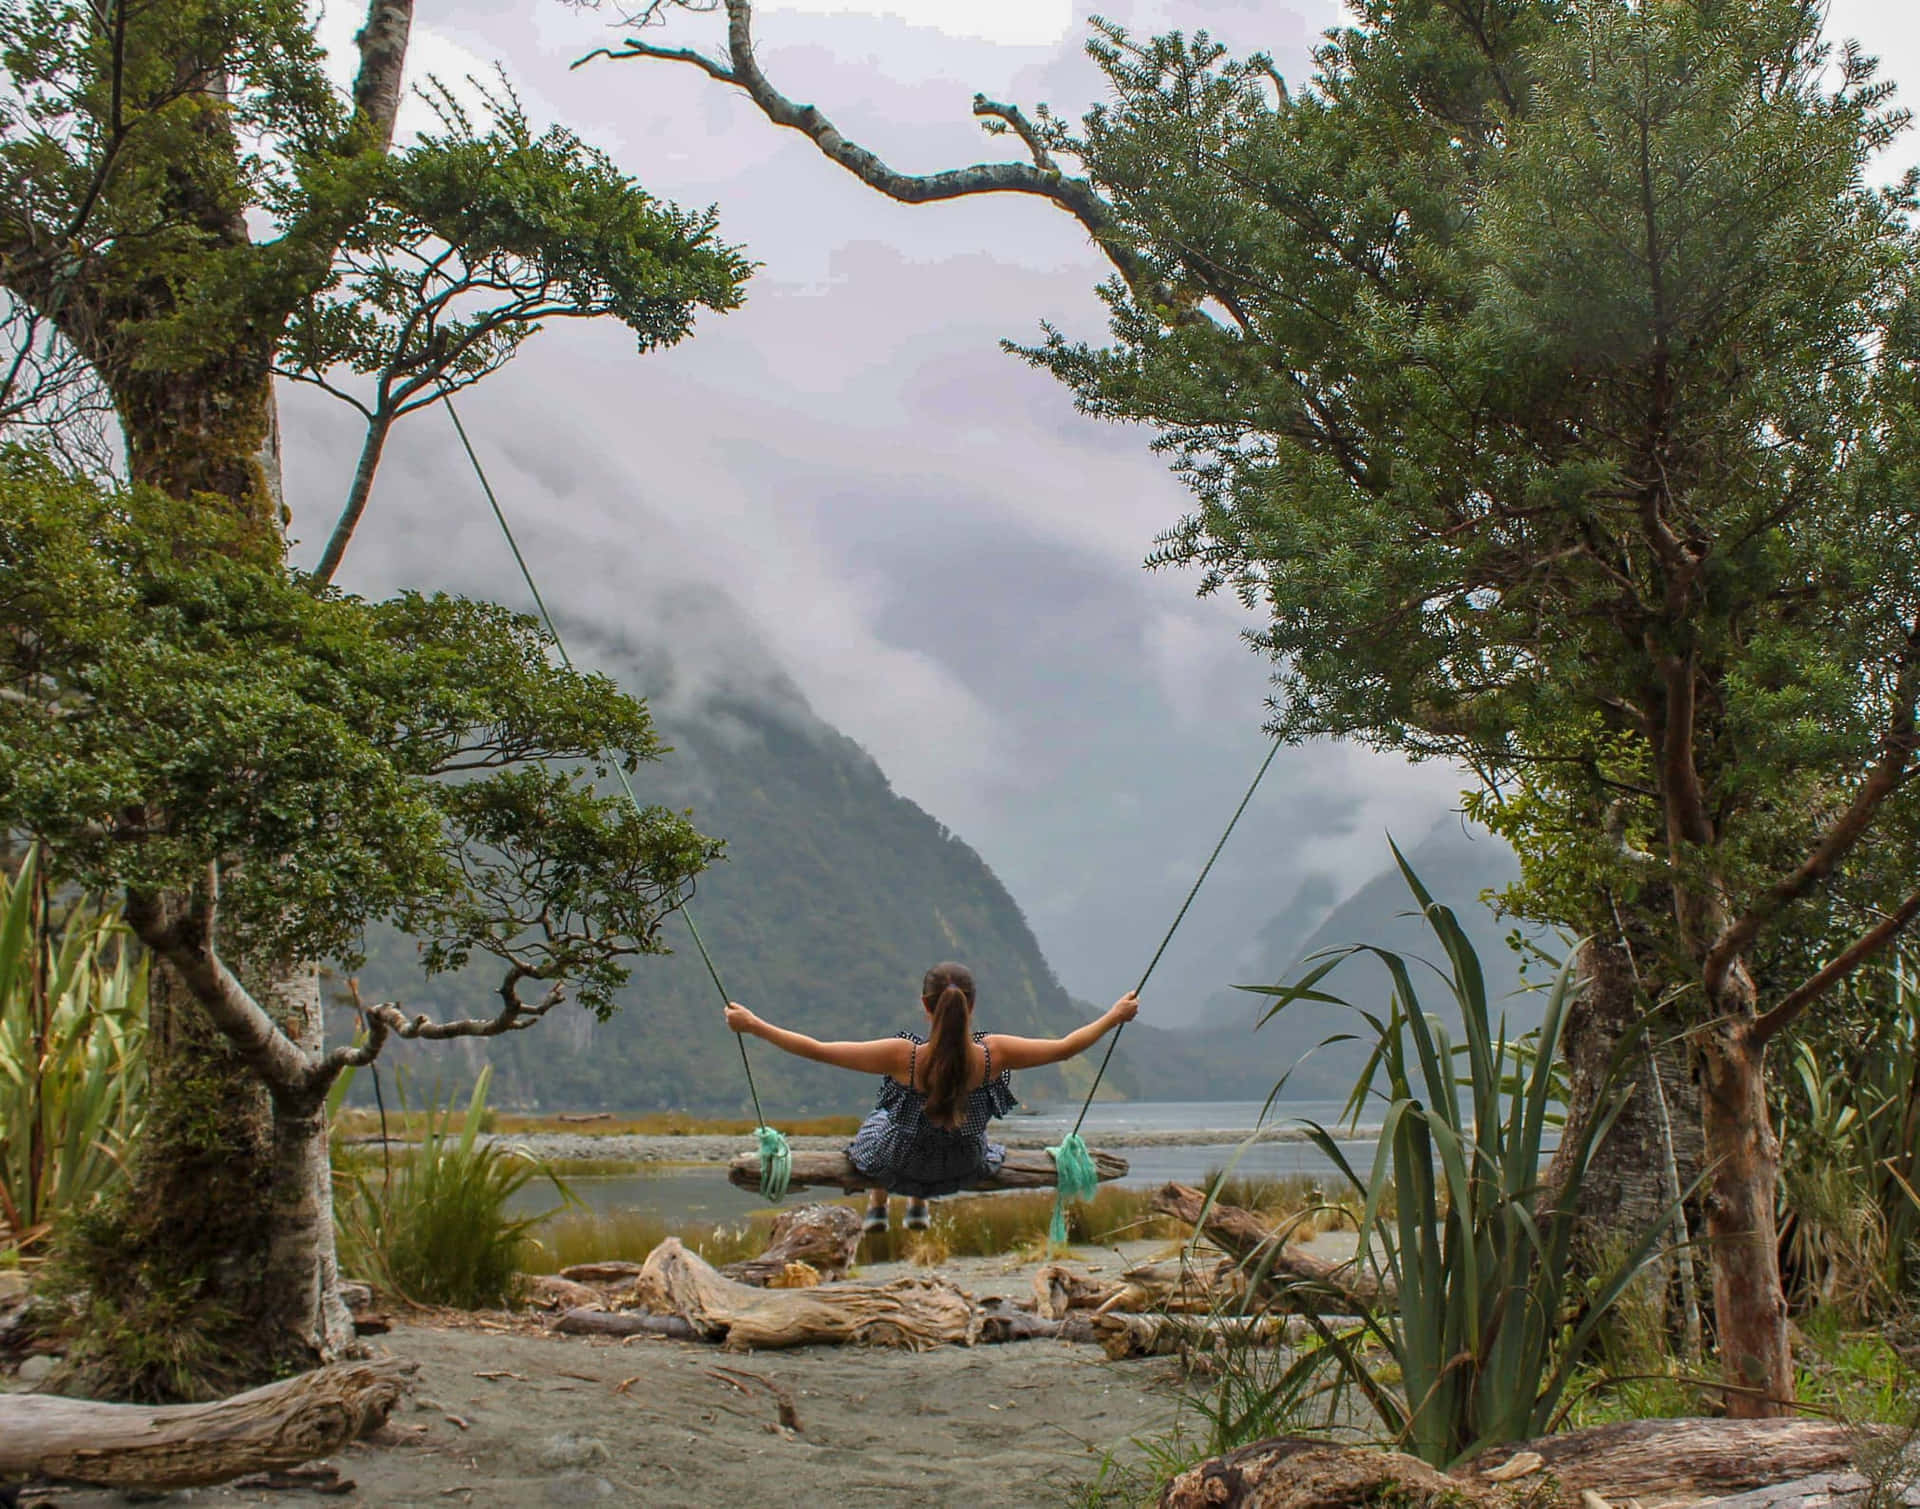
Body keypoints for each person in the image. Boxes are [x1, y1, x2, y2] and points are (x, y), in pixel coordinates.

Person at [723, 961, 1139, 1233]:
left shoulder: (901, 1056)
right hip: (964, 1163)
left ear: (925, 1007)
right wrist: (1113, 1016)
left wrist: (754, 1024)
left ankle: (879, 1202)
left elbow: (817, 1048)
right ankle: (918, 1206)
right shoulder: (994, 1054)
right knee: (948, 1131)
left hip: (898, 1162)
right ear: (971, 1006)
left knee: (880, 1118)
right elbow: (1066, 1046)